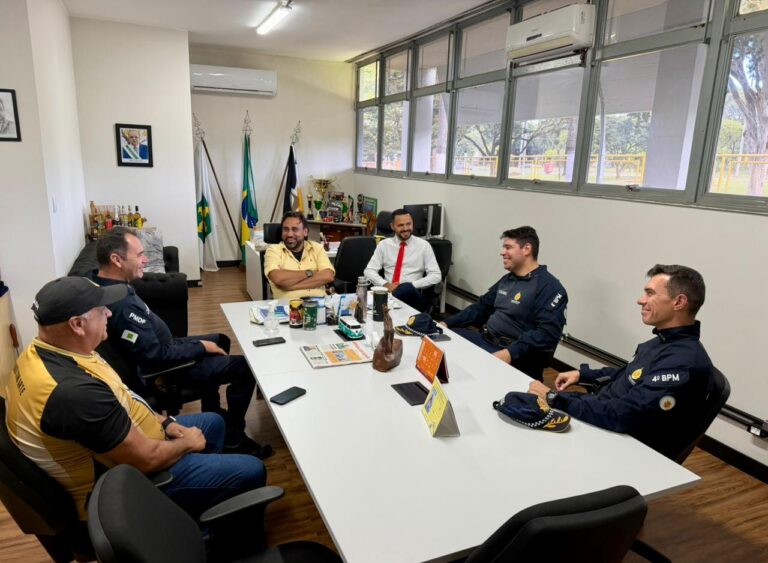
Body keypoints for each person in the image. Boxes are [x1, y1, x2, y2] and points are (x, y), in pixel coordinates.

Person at [3, 276, 266, 520]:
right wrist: (186, 445)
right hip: (121, 488)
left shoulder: (49, 351)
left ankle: (198, 501)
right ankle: (200, 537)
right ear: (77, 324)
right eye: (100, 309)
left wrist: (167, 424)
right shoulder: (74, 393)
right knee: (252, 469)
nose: (108, 313)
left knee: (214, 423)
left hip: (137, 442)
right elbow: (145, 460)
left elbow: (126, 396)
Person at [94, 227, 271, 457]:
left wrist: (201, 346)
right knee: (245, 368)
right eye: (139, 255)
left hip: (165, 349)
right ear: (116, 260)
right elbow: (155, 355)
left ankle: (214, 413)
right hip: (166, 369)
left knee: (221, 340)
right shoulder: (121, 305)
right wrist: (199, 347)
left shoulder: (109, 287)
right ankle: (235, 437)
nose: (145, 260)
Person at [528, 264, 714, 460]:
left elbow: (624, 415)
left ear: (679, 302)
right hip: (604, 417)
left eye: (650, 293)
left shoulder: (682, 362)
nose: (640, 300)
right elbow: (628, 375)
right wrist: (583, 375)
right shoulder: (660, 342)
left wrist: (555, 399)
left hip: (619, 445)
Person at [441, 226, 567, 379]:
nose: (502, 252)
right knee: (441, 339)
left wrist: (509, 353)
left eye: (508, 247)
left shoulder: (549, 287)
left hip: (512, 353)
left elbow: (546, 334)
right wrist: (446, 324)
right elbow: (481, 307)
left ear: (527, 249)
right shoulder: (508, 279)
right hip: (485, 340)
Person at [364, 208, 442, 312]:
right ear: (392, 226)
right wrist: (385, 284)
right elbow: (369, 271)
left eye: (408, 224)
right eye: (400, 225)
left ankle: (385, 304)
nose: (405, 228)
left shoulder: (424, 246)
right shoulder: (384, 245)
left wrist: (412, 285)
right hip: (389, 291)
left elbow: (436, 275)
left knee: (406, 288)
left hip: (412, 294)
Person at [264, 211, 335, 299]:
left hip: (319, 305)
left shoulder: (317, 248)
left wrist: (289, 286)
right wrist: (310, 273)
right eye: (286, 229)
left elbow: (328, 276)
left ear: (305, 232)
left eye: (295, 229)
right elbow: (278, 278)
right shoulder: (273, 250)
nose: (289, 234)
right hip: (288, 308)